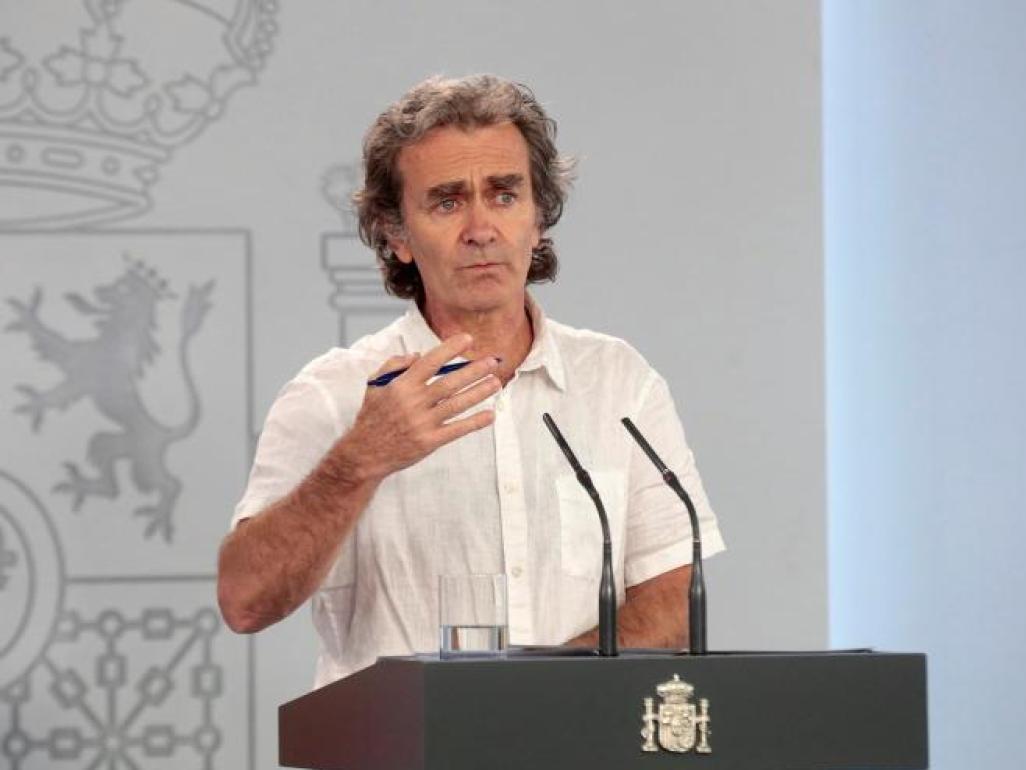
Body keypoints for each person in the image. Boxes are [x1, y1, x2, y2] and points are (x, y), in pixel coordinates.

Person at [216, 74, 726, 688]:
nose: (481, 228)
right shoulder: (334, 394)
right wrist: (358, 460)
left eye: (505, 195)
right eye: (447, 202)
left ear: (538, 221)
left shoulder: (619, 382)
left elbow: (672, 604)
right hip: (397, 739)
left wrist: (527, 696)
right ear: (397, 236)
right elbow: (246, 602)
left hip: (578, 733)